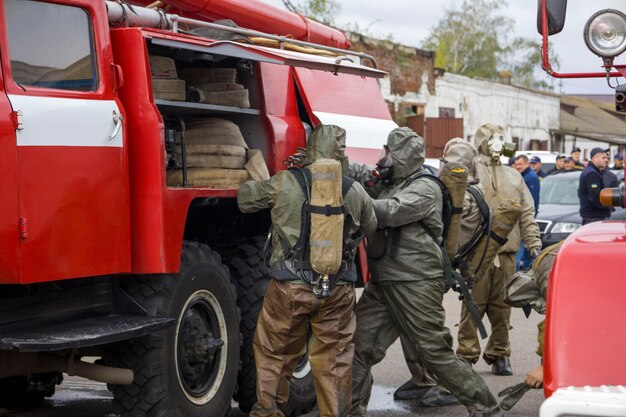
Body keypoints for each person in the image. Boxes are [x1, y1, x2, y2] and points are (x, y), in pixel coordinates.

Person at [348, 128, 503, 417]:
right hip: (384, 281)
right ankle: (350, 411)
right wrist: (339, 164)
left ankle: (488, 409)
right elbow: (365, 177)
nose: (385, 159)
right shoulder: (395, 182)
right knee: (357, 348)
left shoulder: (425, 188)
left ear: (404, 156)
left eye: (390, 153)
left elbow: (389, 211)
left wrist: (350, 196)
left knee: (436, 354)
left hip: (415, 282)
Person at [237, 124, 377, 417]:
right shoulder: (354, 189)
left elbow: (245, 200)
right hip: (338, 289)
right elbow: (371, 225)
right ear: (341, 153)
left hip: (289, 288)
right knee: (335, 362)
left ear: (311, 148)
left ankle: (268, 412)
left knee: (275, 355)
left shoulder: (286, 181)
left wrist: (255, 174)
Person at [393, 138, 487, 407]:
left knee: (432, 337)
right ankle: (422, 379)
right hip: (435, 267)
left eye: (445, 166)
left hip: (434, 269)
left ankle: (451, 388)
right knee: (413, 329)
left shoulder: (465, 198)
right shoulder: (469, 193)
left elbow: (441, 231)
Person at [456, 124, 542, 376]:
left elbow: (526, 213)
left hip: (506, 255)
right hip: (476, 254)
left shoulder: (514, 176)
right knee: (472, 305)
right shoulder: (472, 174)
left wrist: (534, 244)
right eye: (492, 138)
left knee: (503, 307)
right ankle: (466, 354)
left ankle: (499, 354)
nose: (497, 143)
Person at [578, 147, 611, 225]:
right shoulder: (592, 173)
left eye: (606, 158)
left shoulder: (591, 171)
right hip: (595, 217)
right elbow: (595, 197)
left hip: (593, 216)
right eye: (603, 158)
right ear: (594, 159)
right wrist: (606, 206)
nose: (606, 160)